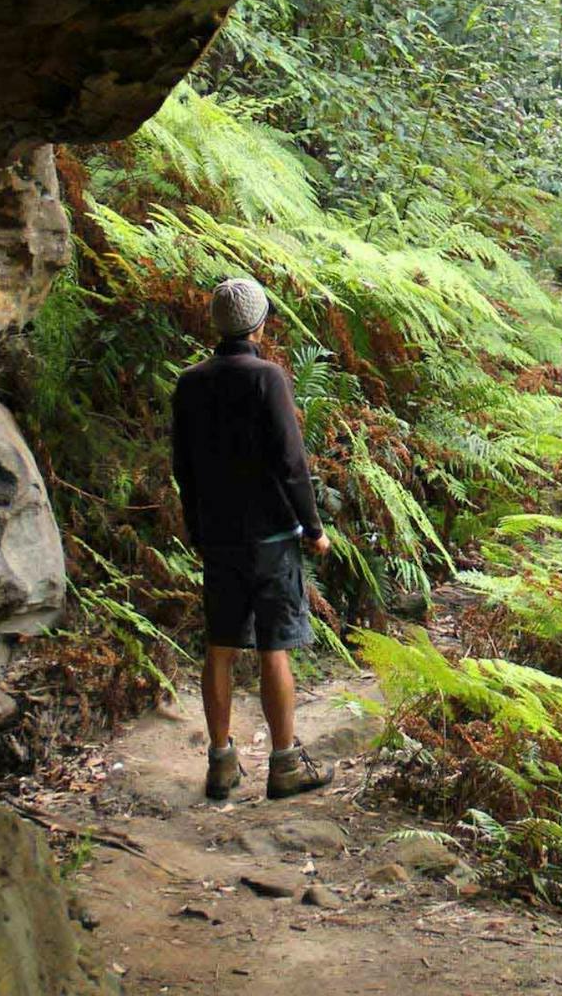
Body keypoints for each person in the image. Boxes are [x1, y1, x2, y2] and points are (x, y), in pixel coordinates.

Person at [171, 276, 335, 801]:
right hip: (270, 536)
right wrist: (313, 528)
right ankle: (284, 765)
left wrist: (197, 528)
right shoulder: (268, 378)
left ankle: (221, 764)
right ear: (260, 324)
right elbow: (291, 463)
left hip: (217, 537)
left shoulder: (189, 383)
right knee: (274, 648)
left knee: (219, 648)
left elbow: (184, 468)